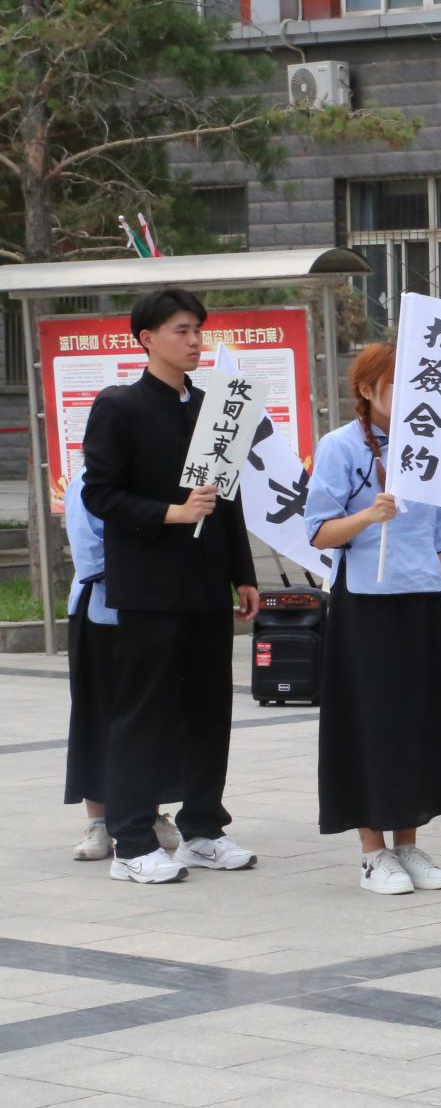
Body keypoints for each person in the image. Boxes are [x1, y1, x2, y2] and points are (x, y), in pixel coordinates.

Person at [82, 287, 260, 885]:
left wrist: (243, 574)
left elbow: (227, 497)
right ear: (147, 339)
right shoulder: (119, 406)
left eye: (198, 330)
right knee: (144, 712)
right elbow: (99, 493)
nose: (194, 341)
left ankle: (203, 830)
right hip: (149, 588)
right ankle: (131, 841)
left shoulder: (214, 408)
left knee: (210, 709)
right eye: (182, 330)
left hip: (207, 586)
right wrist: (170, 514)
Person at [307, 343, 441, 895]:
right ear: (367, 389)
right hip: (366, 604)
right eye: (396, 383)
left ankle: (408, 842)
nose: (408, 395)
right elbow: (318, 532)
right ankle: (372, 852)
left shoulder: (429, 447)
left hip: (421, 601)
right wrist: (367, 516)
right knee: (371, 724)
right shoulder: (339, 446)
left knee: (418, 724)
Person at [63, 468, 180, 863]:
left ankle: (148, 812)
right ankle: (98, 821)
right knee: (99, 715)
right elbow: (90, 554)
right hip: (102, 615)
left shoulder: (155, 476)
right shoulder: (87, 481)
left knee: (152, 715)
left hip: (154, 610)